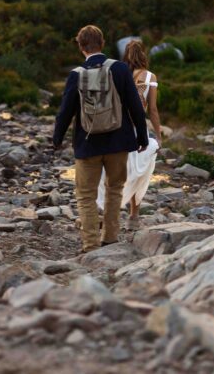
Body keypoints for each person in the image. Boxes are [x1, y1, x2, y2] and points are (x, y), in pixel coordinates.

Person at [53, 25, 148, 253]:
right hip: (119, 141)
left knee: (86, 195)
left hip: (87, 143)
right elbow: (135, 105)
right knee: (115, 189)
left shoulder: (76, 74)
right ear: (102, 43)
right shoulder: (121, 69)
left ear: (81, 46)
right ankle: (111, 238)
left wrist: (57, 138)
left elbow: (66, 110)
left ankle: (90, 244)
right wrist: (142, 135)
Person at [97, 39, 161, 230]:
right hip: (137, 130)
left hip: (117, 129)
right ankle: (134, 216)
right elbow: (153, 110)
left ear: (125, 54)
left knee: (113, 171)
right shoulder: (150, 77)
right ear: (144, 54)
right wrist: (158, 135)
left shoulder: (117, 74)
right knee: (140, 171)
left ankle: (105, 212)